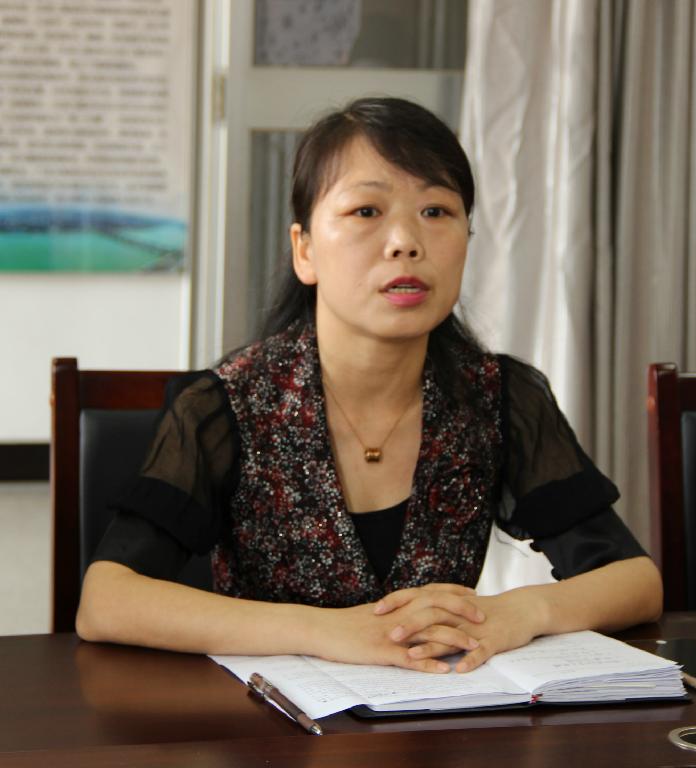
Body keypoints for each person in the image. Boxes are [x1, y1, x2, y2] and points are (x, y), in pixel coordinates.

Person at [76, 97, 662, 673]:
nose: (405, 240)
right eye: (366, 211)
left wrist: (518, 611)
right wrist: (325, 631)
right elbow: (107, 600)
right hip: (269, 721)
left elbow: (635, 580)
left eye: (436, 211)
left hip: (439, 713)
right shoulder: (227, 404)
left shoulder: (497, 397)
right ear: (305, 250)